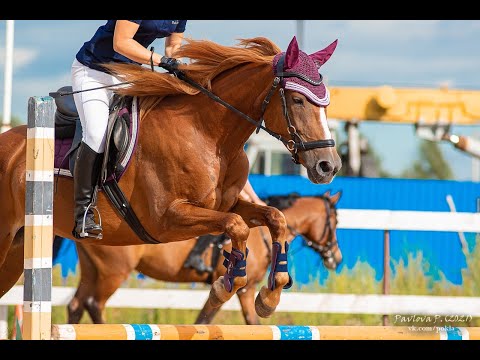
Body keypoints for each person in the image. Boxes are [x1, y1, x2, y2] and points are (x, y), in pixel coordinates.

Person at [70, 20, 187, 239]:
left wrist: (179, 66)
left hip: (129, 73)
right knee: (96, 134)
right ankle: (83, 213)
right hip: (95, 71)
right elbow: (121, 43)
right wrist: (164, 61)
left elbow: (173, 47)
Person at [183, 179, 266, 273]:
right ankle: (195, 255)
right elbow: (238, 178)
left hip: (218, 189)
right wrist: (254, 199)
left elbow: (241, 179)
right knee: (220, 223)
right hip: (211, 190)